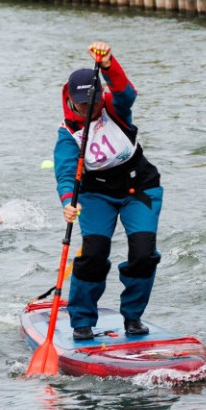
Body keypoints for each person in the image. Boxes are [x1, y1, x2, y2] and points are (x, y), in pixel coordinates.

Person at [54, 42, 163, 341]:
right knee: (94, 253)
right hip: (95, 194)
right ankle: (82, 320)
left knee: (143, 252)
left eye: (94, 102)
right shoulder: (67, 136)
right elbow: (65, 176)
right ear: (70, 101)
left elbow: (126, 91)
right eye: (82, 105)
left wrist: (108, 64)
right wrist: (67, 202)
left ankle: (133, 318)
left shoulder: (115, 107)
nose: (89, 110)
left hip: (139, 185)